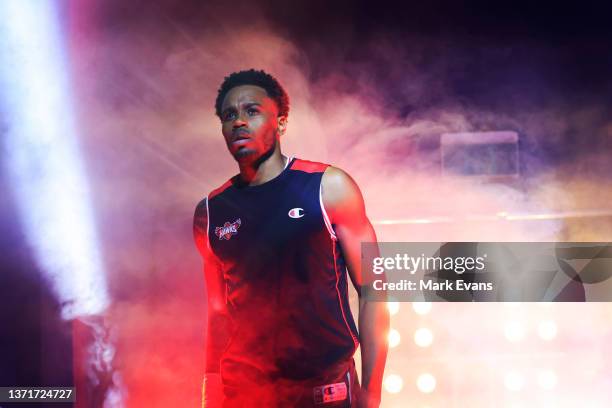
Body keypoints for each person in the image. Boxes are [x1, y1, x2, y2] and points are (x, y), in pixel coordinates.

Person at [193, 69, 389, 407]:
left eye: (251, 111)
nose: (239, 121)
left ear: (281, 122)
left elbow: (375, 290)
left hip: (323, 391)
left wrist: (371, 395)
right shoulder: (210, 212)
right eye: (229, 115)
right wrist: (210, 393)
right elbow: (217, 312)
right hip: (246, 396)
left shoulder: (329, 187)